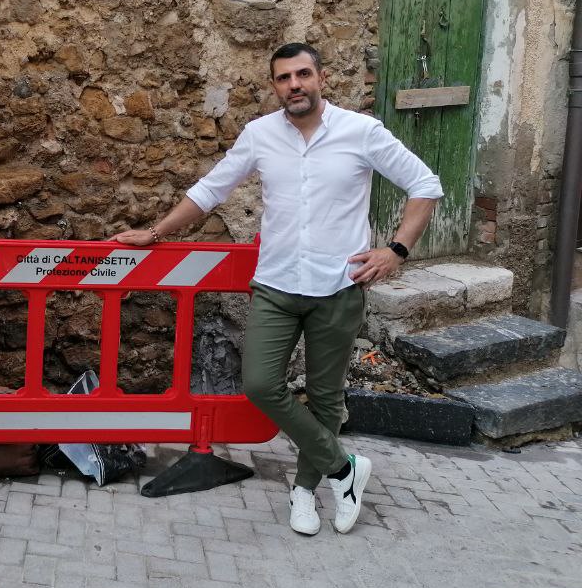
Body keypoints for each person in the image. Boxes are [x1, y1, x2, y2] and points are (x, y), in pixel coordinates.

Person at [112, 43, 442, 535]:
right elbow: (211, 189)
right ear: (275, 87)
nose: (295, 85)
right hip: (276, 286)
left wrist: (396, 249)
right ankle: (344, 466)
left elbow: (425, 184)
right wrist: (156, 234)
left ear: (321, 78)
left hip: (338, 286)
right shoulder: (260, 135)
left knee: (326, 398)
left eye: (303, 74)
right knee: (261, 385)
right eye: (284, 78)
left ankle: (306, 490)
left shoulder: (361, 131)